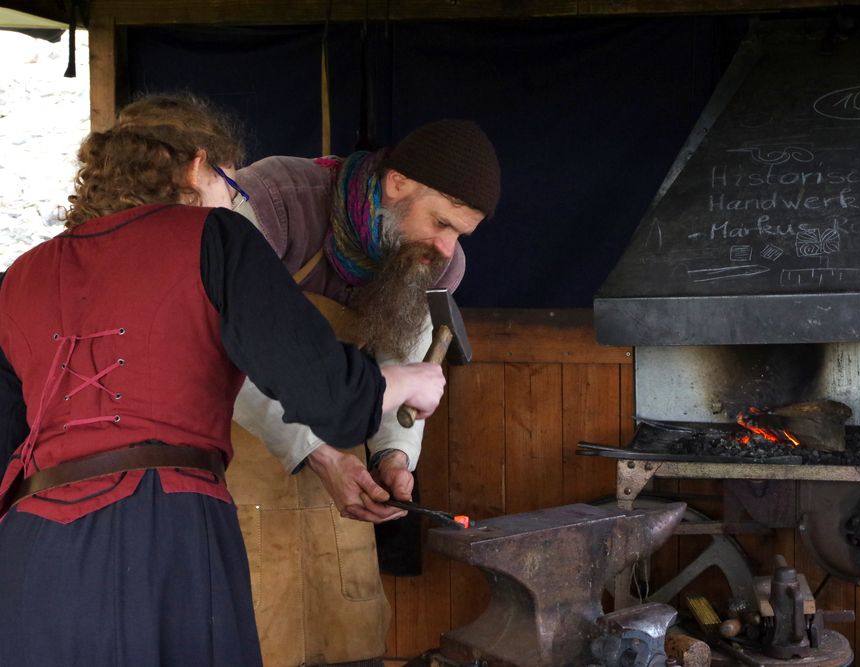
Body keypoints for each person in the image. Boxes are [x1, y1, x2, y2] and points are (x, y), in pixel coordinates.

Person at [0, 93, 446, 667]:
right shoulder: (216, 236)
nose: (231, 203)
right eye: (231, 188)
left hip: (33, 553)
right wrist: (408, 380)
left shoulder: (17, 278)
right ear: (196, 167)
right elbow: (329, 397)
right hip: (170, 536)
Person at [229, 120, 501, 665]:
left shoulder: (436, 260)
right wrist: (316, 452)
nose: (447, 246)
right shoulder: (276, 204)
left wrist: (395, 455)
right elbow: (226, 353)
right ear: (396, 183)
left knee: (348, 640)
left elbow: (402, 365)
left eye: (461, 235)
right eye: (441, 222)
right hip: (242, 464)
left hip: (342, 492)